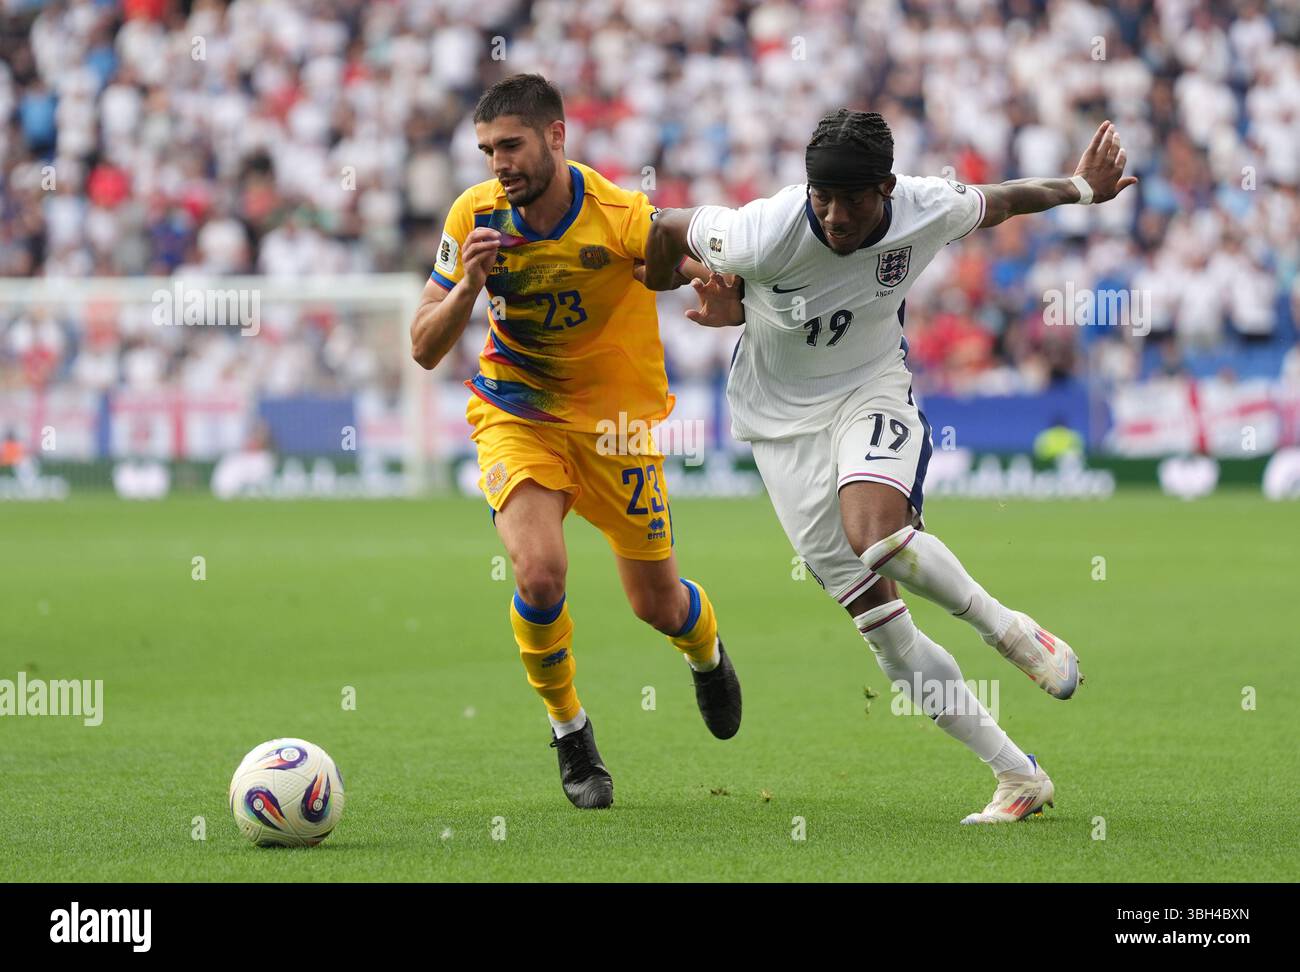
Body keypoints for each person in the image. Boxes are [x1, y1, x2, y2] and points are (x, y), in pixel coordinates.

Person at [644, 110, 1136, 823]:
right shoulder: (759, 230)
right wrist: (703, 291)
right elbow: (664, 226)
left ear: (887, 188)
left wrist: (1080, 191)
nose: (836, 215)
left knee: (875, 534)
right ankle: (1018, 777)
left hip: (872, 391)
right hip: (780, 432)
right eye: (823, 197)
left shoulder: (925, 206)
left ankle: (1011, 631)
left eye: (853, 199)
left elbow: (1000, 200)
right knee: (886, 636)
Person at [410, 74, 742, 810]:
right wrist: (466, 291)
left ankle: (707, 653)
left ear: (556, 138)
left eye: (512, 145)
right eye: (488, 149)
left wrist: (716, 293)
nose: (499, 163)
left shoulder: (618, 213)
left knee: (657, 605)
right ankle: (570, 730)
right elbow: (423, 346)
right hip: (518, 413)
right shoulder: (474, 215)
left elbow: (682, 261)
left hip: (617, 430)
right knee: (538, 574)